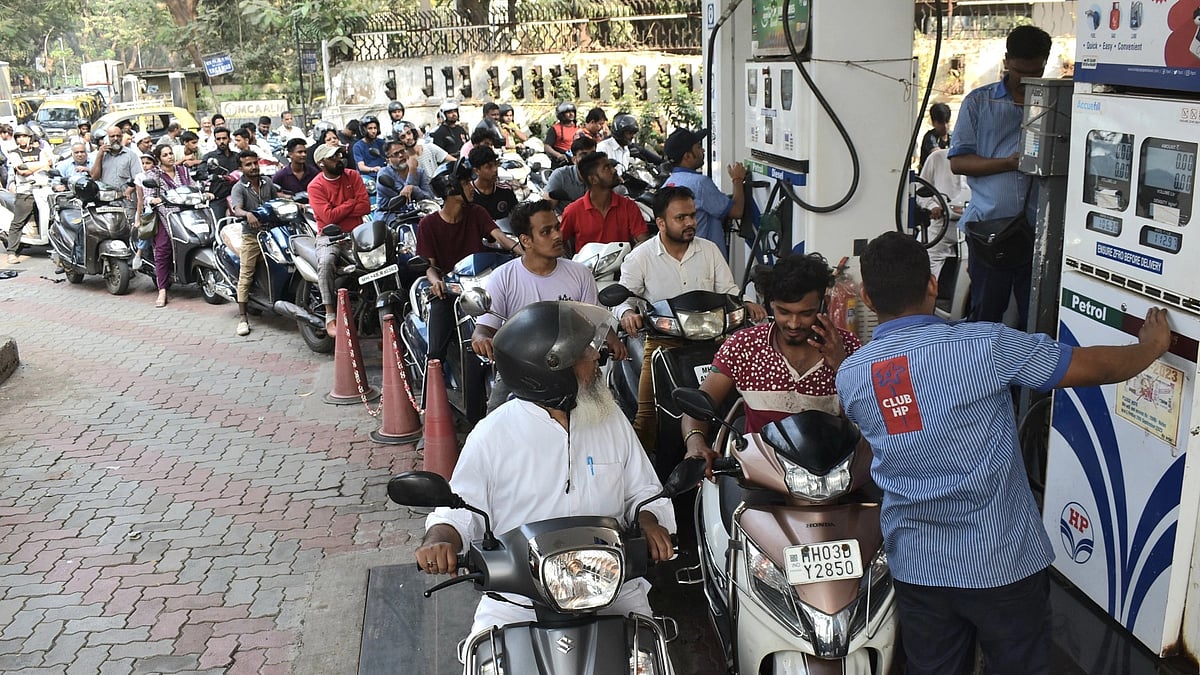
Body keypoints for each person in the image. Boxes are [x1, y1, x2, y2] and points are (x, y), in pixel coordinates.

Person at [834, 231, 1172, 675]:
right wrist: (1153, 347)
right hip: (1001, 560)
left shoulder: (853, 374)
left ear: (868, 297)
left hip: (917, 564)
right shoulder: (985, 345)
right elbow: (1094, 367)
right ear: (934, 285)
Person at [417, 300, 676, 636]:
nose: (596, 357)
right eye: (584, 353)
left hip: (611, 587)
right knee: (484, 657)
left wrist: (649, 520)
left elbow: (643, 490)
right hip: (518, 599)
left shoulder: (610, 419)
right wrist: (440, 540)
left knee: (651, 654)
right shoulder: (493, 434)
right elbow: (459, 511)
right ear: (550, 371)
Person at [614, 186, 767, 450]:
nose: (690, 223)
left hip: (713, 339)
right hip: (663, 341)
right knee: (647, 414)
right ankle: (647, 473)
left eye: (692, 216)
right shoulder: (640, 257)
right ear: (661, 223)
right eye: (681, 218)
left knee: (738, 401)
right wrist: (627, 313)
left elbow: (729, 291)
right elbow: (623, 298)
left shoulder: (709, 250)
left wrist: (748, 303)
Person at [682, 253, 860, 469]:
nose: (794, 324)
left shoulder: (848, 346)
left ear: (824, 305)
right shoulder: (743, 346)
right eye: (784, 312)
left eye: (806, 314)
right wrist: (695, 441)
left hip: (830, 474)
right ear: (770, 304)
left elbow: (866, 419)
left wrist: (842, 366)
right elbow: (698, 405)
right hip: (758, 472)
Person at [471, 201, 625, 411]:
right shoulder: (503, 277)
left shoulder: (580, 273)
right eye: (546, 231)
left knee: (609, 416)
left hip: (575, 367)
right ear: (526, 240)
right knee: (494, 423)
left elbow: (596, 320)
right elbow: (485, 327)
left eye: (557, 227)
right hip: (521, 372)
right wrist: (480, 338)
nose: (557, 236)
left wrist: (613, 339)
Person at [949, 25, 1051, 329]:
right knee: (986, 315)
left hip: (1037, 234)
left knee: (1034, 320)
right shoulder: (979, 103)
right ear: (1007, 61)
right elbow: (958, 162)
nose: (1025, 80)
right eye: (1020, 71)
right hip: (990, 231)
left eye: (1035, 72)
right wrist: (1007, 163)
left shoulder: (1053, 103)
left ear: (1045, 62)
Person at [416, 159, 520, 367]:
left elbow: (499, 236)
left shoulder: (477, 213)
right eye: (465, 183)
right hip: (451, 290)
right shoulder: (428, 224)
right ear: (451, 189)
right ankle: (433, 382)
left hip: (482, 284)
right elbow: (429, 265)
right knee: (436, 351)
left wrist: (524, 253)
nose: (471, 187)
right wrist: (436, 281)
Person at [308, 143, 371, 334]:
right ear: (321, 163)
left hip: (357, 233)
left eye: (339, 155)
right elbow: (329, 218)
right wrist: (351, 203)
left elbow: (365, 207)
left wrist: (341, 209)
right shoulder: (315, 186)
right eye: (332, 158)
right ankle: (330, 314)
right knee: (326, 262)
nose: (338, 160)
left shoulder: (353, 175)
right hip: (330, 236)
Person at [662, 127, 746, 259]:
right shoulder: (700, 183)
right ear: (687, 156)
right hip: (703, 260)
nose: (703, 150)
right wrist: (737, 179)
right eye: (698, 147)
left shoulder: (669, 182)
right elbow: (736, 211)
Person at [144, 143, 205, 307]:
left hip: (188, 213)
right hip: (167, 216)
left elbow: (194, 187)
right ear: (159, 159)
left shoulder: (183, 171)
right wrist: (153, 200)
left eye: (171, 153)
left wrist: (204, 193)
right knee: (163, 249)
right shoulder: (154, 175)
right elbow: (147, 197)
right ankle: (162, 289)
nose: (170, 157)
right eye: (165, 155)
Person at [560, 151, 650, 254]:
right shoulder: (573, 211)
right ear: (593, 179)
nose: (614, 170)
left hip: (623, 267)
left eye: (611, 166)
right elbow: (560, 241)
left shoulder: (628, 206)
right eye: (607, 168)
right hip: (586, 268)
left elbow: (643, 240)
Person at [230, 150, 278, 336]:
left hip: (272, 233)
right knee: (246, 274)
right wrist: (247, 214)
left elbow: (276, 200)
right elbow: (237, 209)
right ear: (241, 168)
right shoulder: (239, 188)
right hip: (252, 236)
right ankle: (243, 318)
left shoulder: (268, 182)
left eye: (255, 163)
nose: (253, 167)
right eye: (248, 164)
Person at [917, 147, 970, 280]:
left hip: (972, 224)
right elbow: (920, 189)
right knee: (923, 259)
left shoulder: (982, 159)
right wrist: (932, 206)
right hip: (942, 223)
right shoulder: (937, 157)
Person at [3, 126, 52, 263]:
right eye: (18, 137)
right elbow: (22, 171)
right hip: (25, 191)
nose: (21, 139)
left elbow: (48, 167)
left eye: (24, 136)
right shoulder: (14, 153)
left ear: (30, 137)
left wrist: (34, 166)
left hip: (43, 190)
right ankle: (11, 252)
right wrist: (41, 165)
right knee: (19, 221)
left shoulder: (40, 151)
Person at [544, 135, 596, 211]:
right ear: (574, 160)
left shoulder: (603, 175)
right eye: (583, 155)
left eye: (592, 154)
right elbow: (547, 209)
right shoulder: (560, 176)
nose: (589, 159)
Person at [89, 126, 139, 205]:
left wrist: (127, 192)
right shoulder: (101, 155)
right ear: (107, 139)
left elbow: (137, 178)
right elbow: (94, 177)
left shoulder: (131, 155)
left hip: (126, 203)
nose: (115, 139)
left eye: (118, 136)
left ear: (122, 137)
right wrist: (99, 155)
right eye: (112, 136)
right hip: (107, 203)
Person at [467, 145, 516, 224]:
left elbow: (517, 217)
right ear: (476, 171)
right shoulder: (467, 194)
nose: (495, 169)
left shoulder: (506, 190)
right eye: (489, 166)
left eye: (496, 164)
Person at [376, 140, 432, 205]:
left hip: (419, 210)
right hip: (390, 212)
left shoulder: (420, 172)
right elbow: (404, 196)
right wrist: (412, 173)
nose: (401, 155)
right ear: (388, 160)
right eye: (396, 154)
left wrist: (413, 188)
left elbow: (430, 197)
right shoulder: (384, 174)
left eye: (402, 151)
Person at [203, 126, 239, 222]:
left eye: (224, 138)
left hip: (238, 196)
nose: (221, 141)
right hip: (219, 198)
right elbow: (200, 173)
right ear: (215, 141)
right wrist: (213, 176)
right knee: (218, 224)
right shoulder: (209, 157)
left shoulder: (237, 156)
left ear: (229, 139)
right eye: (218, 139)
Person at [919, 102, 952, 171]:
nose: (945, 126)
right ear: (933, 123)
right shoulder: (930, 137)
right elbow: (938, 155)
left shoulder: (952, 136)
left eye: (947, 122)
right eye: (941, 123)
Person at [544, 102, 578, 166]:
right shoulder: (555, 129)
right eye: (567, 112)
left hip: (575, 160)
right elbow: (547, 147)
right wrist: (558, 155)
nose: (571, 114)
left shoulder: (578, 128)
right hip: (561, 162)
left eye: (572, 112)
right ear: (561, 114)